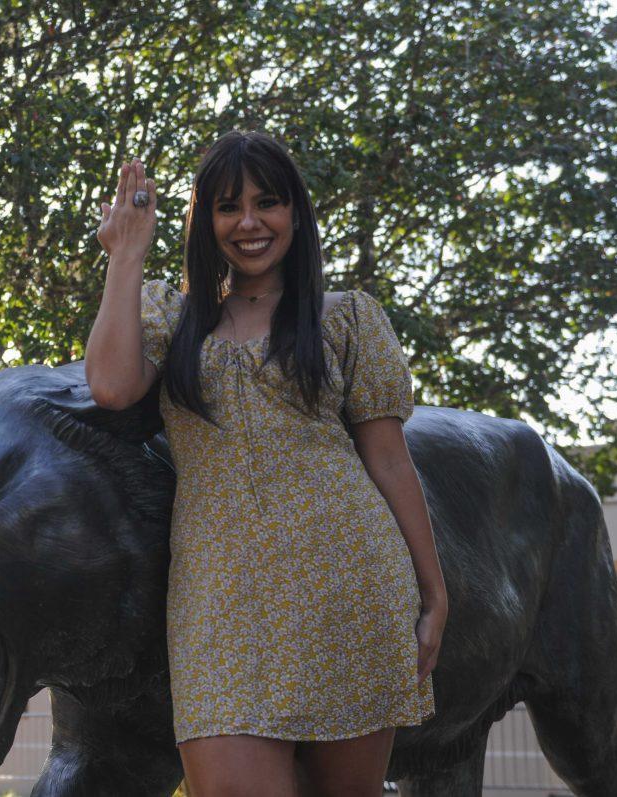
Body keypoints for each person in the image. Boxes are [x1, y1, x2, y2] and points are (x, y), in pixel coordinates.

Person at [83, 130, 447, 797]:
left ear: (295, 213)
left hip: (351, 588)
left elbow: (392, 463)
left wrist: (435, 595)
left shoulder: (348, 319)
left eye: (267, 203)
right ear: (206, 220)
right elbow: (110, 385)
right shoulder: (176, 316)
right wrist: (126, 254)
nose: (249, 222)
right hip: (221, 606)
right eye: (228, 207)